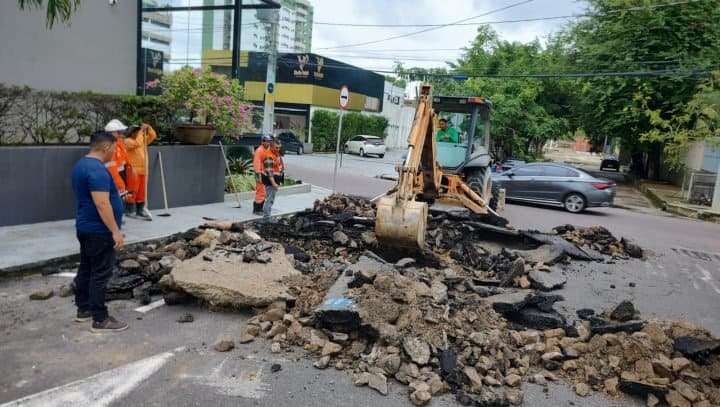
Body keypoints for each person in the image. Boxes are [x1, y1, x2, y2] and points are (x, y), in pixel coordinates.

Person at [71, 131, 128, 333]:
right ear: (105, 148)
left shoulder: (81, 165)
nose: (115, 152)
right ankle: (100, 318)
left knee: (86, 268)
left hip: (85, 227)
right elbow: (102, 204)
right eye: (114, 148)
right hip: (99, 231)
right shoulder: (97, 171)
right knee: (100, 274)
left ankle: (83, 309)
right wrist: (115, 231)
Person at [124, 124, 157, 221]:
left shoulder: (141, 140)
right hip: (133, 171)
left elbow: (153, 136)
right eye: (137, 131)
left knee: (142, 192)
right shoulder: (127, 141)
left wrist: (149, 128)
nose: (140, 133)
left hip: (144, 170)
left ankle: (140, 210)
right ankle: (129, 211)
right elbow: (137, 143)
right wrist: (141, 133)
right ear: (132, 132)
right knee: (132, 190)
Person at [104, 119, 134, 214]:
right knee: (114, 197)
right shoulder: (108, 146)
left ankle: (116, 215)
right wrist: (121, 186)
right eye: (119, 132)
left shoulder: (118, 143)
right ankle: (113, 217)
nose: (121, 134)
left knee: (118, 197)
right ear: (112, 133)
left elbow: (125, 158)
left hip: (120, 174)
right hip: (112, 176)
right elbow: (112, 168)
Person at [252, 135, 274, 214]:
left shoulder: (267, 149)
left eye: (269, 141)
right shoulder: (259, 151)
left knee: (264, 192)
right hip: (260, 173)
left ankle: (260, 208)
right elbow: (256, 163)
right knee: (260, 191)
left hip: (265, 173)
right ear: (262, 142)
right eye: (266, 141)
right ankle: (257, 209)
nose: (268, 143)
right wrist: (258, 174)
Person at [261, 156, 280, 221]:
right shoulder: (269, 170)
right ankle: (267, 218)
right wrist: (275, 185)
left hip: (269, 186)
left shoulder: (267, 169)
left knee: (268, 201)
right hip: (271, 186)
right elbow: (270, 176)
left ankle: (267, 217)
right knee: (269, 201)